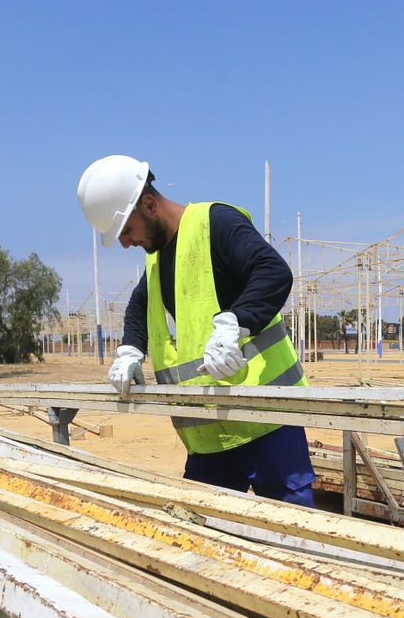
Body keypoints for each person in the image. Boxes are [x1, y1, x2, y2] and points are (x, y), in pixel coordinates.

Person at [76, 155, 316, 506]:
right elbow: (139, 305)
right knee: (203, 527)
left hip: (266, 421)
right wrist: (130, 351)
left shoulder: (216, 223)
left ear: (149, 204)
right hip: (208, 435)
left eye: (126, 230)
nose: (126, 243)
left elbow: (272, 271)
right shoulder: (157, 258)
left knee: (293, 528)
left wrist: (237, 322)